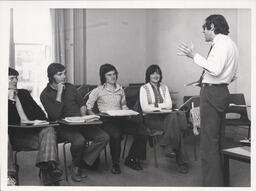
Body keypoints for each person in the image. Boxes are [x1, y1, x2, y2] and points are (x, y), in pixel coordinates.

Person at [177, 14, 238, 186]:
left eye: (204, 28)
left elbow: (215, 69)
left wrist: (193, 55)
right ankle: (221, 183)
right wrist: (210, 80)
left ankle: (212, 186)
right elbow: (228, 73)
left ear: (212, 27)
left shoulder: (219, 43)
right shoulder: (231, 43)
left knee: (208, 144)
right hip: (221, 92)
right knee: (217, 141)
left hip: (211, 95)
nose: (202, 32)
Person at [40, 63, 109, 182]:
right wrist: (59, 93)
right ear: (51, 77)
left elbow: (82, 104)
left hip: (80, 122)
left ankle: (79, 162)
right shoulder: (45, 94)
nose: (64, 77)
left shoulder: (71, 87)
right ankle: (76, 167)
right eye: (60, 74)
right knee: (79, 141)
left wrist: (83, 118)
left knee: (103, 137)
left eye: (65, 73)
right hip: (62, 126)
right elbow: (55, 115)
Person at [86, 63, 148, 174]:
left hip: (120, 119)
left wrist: (128, 112)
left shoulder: (120, 89)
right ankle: (115, 164)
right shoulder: (98, 90)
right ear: (103, 76)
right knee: (116, 135)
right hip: (106, 120)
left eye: (114, 74)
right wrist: (94, 117)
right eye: (109, 75)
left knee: (142, 131)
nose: (112, 77)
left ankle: (131, 158)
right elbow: (88, 107)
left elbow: (123, 105)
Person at [8, 67, 62, 185]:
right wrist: (10, 100)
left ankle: (48, 168)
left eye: (16, 78)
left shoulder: (24, 94)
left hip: (30, 135)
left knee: (49, 129)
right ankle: (9, 175)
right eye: (11, 78)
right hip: (12, 139)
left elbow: (40, 113)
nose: (15, 81)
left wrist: (38, 121)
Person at [139, 64, 189, 174]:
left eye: (158, 73)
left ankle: (166, 143)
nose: (156, 75)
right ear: (148, 75)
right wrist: (161, 106)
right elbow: (145, 108)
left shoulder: (164, 87)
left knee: (173, 118)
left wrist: (154, 106)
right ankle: (181, 163)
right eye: (153, 73)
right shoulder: (144, 88)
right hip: (151, 119)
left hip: (165, 118)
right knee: (176, 126)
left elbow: (169, 105)